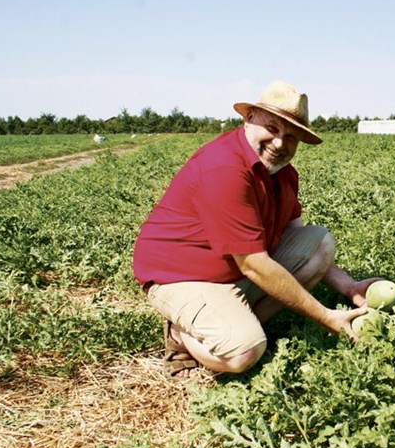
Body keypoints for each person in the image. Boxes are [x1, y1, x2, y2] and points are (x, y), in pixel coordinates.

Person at [132, 80, 379, 377]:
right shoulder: (224, 168)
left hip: (232, 268)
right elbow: (254, 265)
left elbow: (294, 239)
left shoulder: (284, 175)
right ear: (249, 119)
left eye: (290, 137)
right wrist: (326, 317)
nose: (279, 143)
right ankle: (182, 335)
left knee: (319, 243)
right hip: (181, 275)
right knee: (244, 352)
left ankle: (238, 321)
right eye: (273, 129)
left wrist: (349, 286)